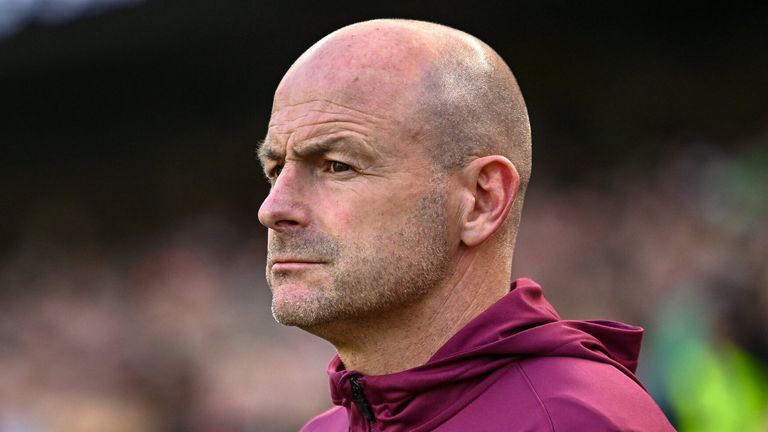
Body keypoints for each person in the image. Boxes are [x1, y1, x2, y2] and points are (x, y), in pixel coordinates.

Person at [257, 18, 675, 432]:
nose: (273, 208)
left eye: (337, 166)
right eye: (275, 169)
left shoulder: (573, 421)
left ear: (481, 200)